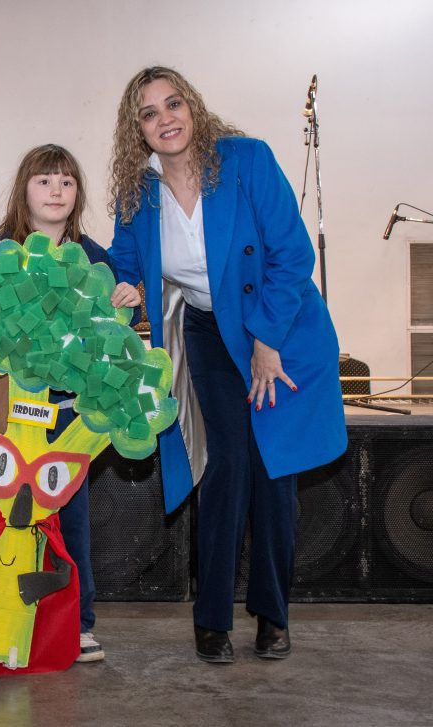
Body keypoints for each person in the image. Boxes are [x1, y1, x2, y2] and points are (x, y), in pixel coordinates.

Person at [107, 66, 347, 663]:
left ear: (193, 106)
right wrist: (124, 288)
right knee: (225, 465)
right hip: (209, 333)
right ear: (137, 130)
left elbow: (292, 255)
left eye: (173, 104)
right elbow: (124, 260)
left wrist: (267, 340)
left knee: (274, 473)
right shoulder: (138, 191)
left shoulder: (247, 159)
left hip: (279, 328)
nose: (165, 119)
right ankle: (211, 618)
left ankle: (272, 613)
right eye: (149, 113)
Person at [0, 144, 141, 664]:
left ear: (78, 194)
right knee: (7, 518)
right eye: (45, 181)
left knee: (71, 519)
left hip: (71, 416)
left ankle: (77, 621)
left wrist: (129, 303)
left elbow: (119, 336)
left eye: (67, 182)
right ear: (23, 189)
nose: (56, 191)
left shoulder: (95, 257)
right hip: (11, 414)